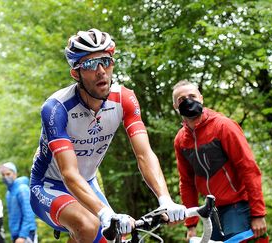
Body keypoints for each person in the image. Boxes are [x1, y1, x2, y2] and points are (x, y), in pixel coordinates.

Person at [29, 28, 187, 243]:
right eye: (90, 64)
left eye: (106, 61)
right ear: (76, 73)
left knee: (112, 237)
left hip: (87, 184)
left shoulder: (125, 99)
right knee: (88, 224)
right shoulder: (57, 108)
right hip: (49, 185)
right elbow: (69, 174)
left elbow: (144, 154)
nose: (101, 70)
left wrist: (165, 199)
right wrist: (104, 212)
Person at [171, 80, 268, 242]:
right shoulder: (181, 140)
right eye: (181, 99)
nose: (188, 101)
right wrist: (191, 224)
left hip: (237, 206)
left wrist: (258, 213)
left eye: (192, 96)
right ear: (175, 106)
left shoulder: (223, 126)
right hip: (211, 212)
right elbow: (187, 182)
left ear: (201, 98)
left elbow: (248, 168)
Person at [0, 162, 37, 243]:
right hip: (16, 234)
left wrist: (22, 236)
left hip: (26, 234)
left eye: (8, 174)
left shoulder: (22, 189)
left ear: (15, 174)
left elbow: (29, 214)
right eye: (3, 175)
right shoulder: (9, 193)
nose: (5, 177)